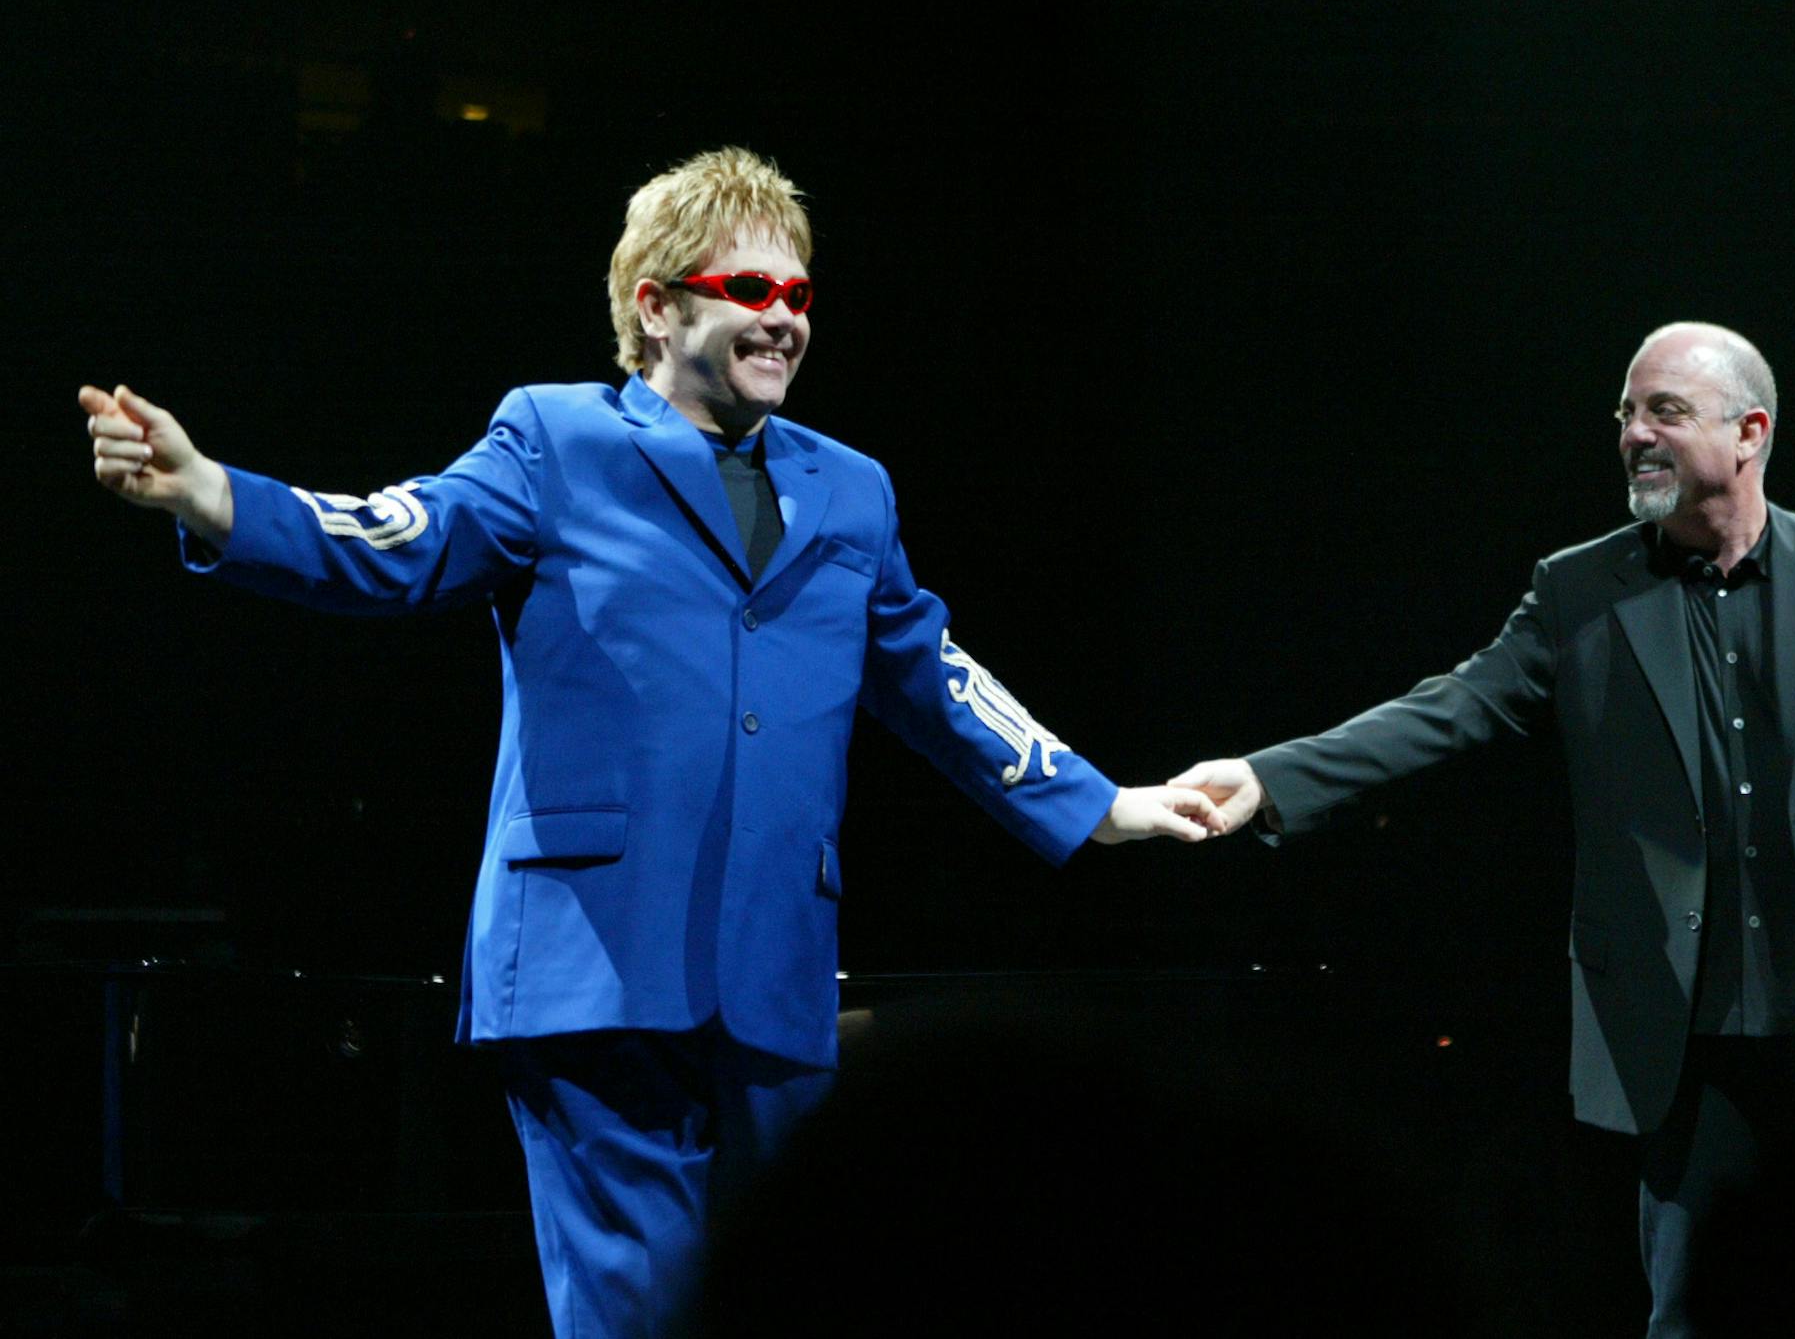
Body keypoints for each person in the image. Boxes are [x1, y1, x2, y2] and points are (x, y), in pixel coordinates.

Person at [83, 146, 1223, 1337]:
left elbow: (933, 675)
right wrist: (216, 494)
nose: (783, 321)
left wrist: (1102, 804)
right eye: (750, 292)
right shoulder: (554, 440)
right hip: (595, 964)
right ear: (656, 304)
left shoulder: (852, 490)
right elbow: (402, 536)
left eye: (799, 298)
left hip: (775, 973)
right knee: (635, 1314)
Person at [1171, 322, 1795, 1336]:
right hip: (1687, 1041)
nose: (1633, 434)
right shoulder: (1578, 591)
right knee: (1686, 1317)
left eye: (1664, 411)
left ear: (1749, 432)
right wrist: (1266, 780)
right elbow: (1452, 709)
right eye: (1626, 412)